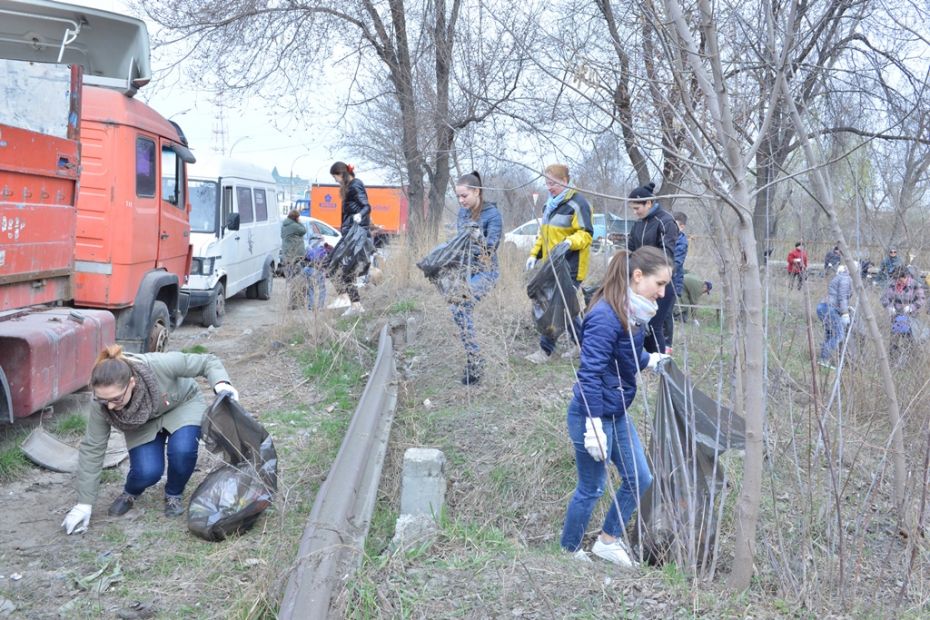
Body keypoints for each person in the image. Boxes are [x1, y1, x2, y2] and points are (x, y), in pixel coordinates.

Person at [560, 246, 671, 566]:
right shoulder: (605, 316)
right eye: (659, 284)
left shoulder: (631, 312)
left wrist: (652, 360)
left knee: (641, 479)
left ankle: (608, 540)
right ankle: (568, 550)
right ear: (638, 277)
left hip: (616, 411)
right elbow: (590, 374)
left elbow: (627, 356)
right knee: (592, 487)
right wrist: (593, 425)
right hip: (592, 414)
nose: (662, 294)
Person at [62, 346, 238, 534]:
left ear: (131, 382)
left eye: (116, 399)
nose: (111, 406)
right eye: (104, 401)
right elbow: (93, 448)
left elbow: (207, 361)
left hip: (181, 405)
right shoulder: (102, 403)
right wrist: (84, 504)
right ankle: (131, 492)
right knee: (147, 472)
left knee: (183, 451)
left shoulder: (158, 365)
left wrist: (222, 384)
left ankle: (173, 494)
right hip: (141, 423)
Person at [524, 164, 593, 363]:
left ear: (565, 181)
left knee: (555, 305)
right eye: (546, 183)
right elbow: (543, 235)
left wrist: (569, 242)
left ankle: (545, 350)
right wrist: (534, 255)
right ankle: (583, 345)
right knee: (567, 308)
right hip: (551, 267)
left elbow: (586, 234)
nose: (549, 187)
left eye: (553, 183)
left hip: (571, 267)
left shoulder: (578, 203)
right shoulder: (550, 205)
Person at [449, 171, 502, 385]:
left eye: (464, 196)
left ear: (476, 192)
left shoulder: (492, 214)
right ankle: (472, 355)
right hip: (466, 272)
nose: (461, 201)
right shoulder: (463, 213)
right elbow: (458, 242)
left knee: (460, 307)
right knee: (457, 309)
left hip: (486, 272)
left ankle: (475, 361)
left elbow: (491, 248)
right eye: (458, 197)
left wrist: (479, 239)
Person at [626, 182, 678, 353]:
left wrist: (649, 273)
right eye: (632, 209)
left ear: (648, 203)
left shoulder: (665, 221)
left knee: (655, 326)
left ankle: (659, 362)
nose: (635, 212)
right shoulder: (638, 224)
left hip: (661, 282)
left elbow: (666, 257)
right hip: (640, 282)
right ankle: (643, 359)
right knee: (640, 323)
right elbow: (630, 249)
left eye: (637, 208)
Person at [330, 161, 372, 317]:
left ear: (342, 174)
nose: (335, 180)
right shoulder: (350, 187)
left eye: (335, 177)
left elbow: (367, 206)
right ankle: (355, 304)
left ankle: (346, 299)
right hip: (351, 232)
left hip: (356, 234)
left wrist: (360, 215)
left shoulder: (355, 185)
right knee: (347, 269)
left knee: (334, 265)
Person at [880, 267, 925, 359]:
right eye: (897, 279)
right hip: (896, 317)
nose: (899, 282)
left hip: (911, 318)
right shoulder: (892, 284)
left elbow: (921, 299)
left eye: (901, 279)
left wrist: (911, 307)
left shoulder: (915, 284)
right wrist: (889, 307)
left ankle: (910, 360)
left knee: (909, 340)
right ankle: (893, 360)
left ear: (906, 277)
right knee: (894, 340)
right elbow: (884, 298)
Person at [816, 264, 852, 366]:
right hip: (830, 309)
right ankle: (824, 359)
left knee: (830, 334)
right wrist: (845, 313)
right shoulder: (845, 279)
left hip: (822, 306)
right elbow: (842, 297)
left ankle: (823, 358)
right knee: (839, 335)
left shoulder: (838, 277)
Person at [663, 211, 689, 352]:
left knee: (667, 314)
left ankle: (668, 344)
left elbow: (676, 263)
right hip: (663, 280)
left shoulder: (681, 242)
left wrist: (662, 271)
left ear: (682, 226)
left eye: (675, 225)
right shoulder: (668, 237)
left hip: (673, 282)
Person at [281, 209, 308, 309]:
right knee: (297, 280)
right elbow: (304, 231)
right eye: (298, 217)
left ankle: (291, 303)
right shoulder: (294, 225)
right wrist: (300, 223)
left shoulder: (285, 225)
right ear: (295, 218)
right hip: (294, 257)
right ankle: (294, 303)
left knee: (290, 280)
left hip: (287, 257)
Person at [303, 232, 329, 311]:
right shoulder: (322, 249)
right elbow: (325, 261)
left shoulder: (308, 248)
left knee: (311, 288)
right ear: (320, 240)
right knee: (322, 288)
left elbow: (305, 259)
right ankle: (320, 307)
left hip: (308, 269)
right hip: (317, 270)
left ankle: (310, 307)